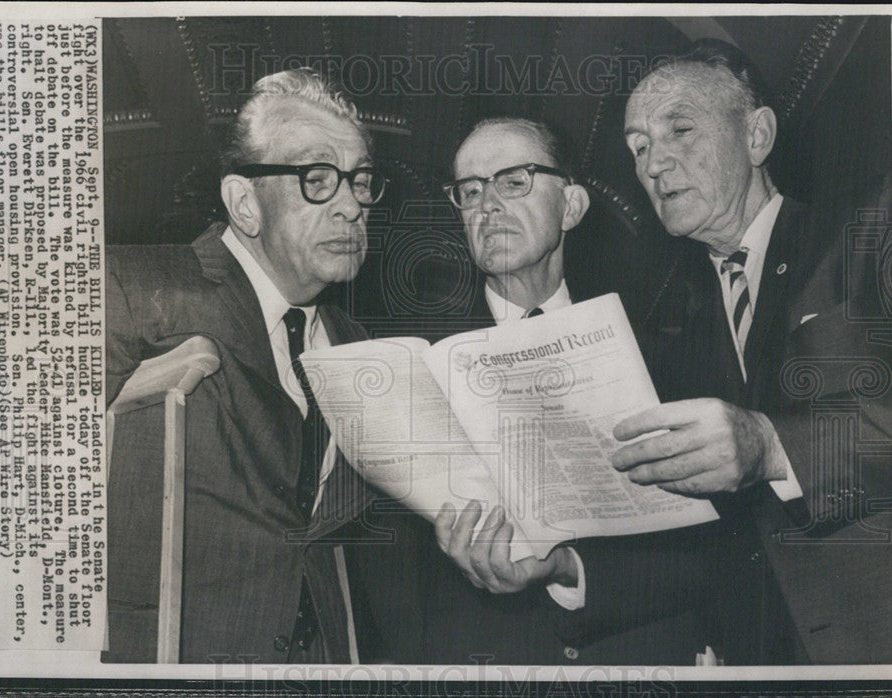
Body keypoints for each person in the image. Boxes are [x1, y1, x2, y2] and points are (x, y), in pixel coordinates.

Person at [350, 118, 710, 664]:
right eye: (470, 191)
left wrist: (571, 569)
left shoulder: (657, 355)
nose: (487, 205)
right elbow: (384, 566)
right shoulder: (414, 366)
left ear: (570, 207)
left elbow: (708, 551)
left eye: (513, 180)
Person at [601, 39, 892, 664]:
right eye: (638, 147)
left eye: (679, 128)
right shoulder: (666, 327)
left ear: (757, 136)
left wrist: (770, 444)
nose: (654, 164)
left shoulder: (875, 228)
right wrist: (564, 571)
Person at [103, 68, 387, 664]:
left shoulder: (357, 343)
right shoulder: (133, 287)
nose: (350, 206)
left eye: (360, 181)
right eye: (317, 179)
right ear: (244, 203)